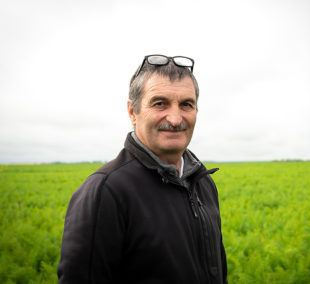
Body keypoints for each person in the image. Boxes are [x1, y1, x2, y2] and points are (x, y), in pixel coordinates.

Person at [57, 55, 228, 284]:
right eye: (160, 103)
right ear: (132, 112)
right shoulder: (106, 192)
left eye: (186, 104)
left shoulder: (203, 182)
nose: (176, 119)